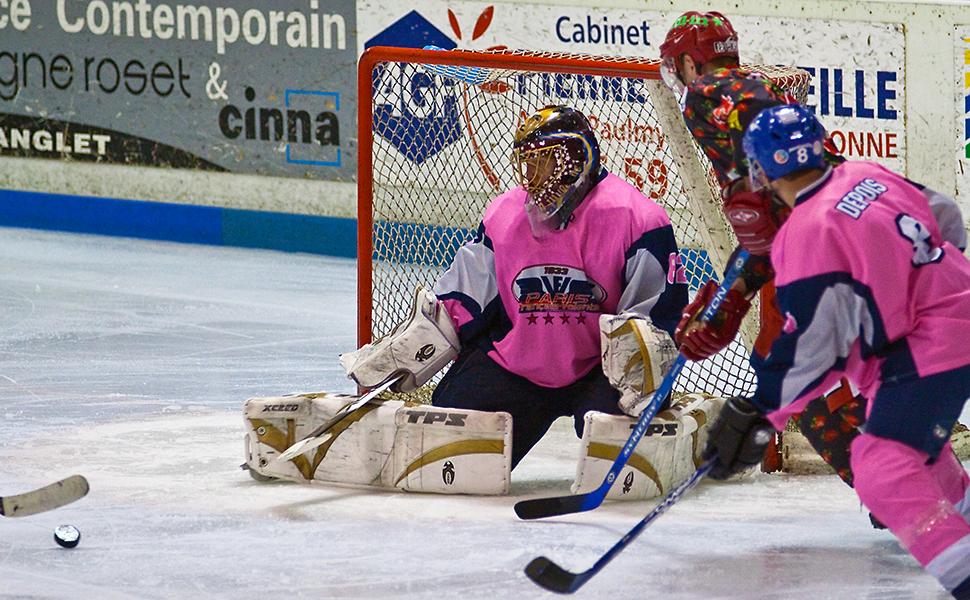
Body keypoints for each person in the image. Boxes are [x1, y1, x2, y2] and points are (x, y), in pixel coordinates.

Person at [706, 103, 970, 599]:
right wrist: (926, 284)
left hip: (933, 344)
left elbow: (814, 347)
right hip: (958, 311)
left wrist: (762, 410)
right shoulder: (866, 172)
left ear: (763, 169)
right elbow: (945, 215)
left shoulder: (809, 230)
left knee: (882, 466)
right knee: (918, 451)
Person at [343, 105, 688, 470]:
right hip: (518, 367)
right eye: (527, 163)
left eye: (544, 162)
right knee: (444, 452)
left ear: (577, 158)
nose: (533, 176)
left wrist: (644, 377)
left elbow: (655, 318)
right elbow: (463, 301)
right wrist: (414, 346)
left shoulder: (637, 217)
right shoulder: (504, 214)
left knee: (619, 453)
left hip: (601, 371)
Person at [658, 9, 875, 488]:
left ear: (691, 64)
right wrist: (732, 295)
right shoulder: (752, 90)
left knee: (795, 373)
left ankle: (903, 488)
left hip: (815, 246)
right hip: (839, 233)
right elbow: (769, 215)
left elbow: (772, 208)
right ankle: (908, 479)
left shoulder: (705, 93)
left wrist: (732, 296)